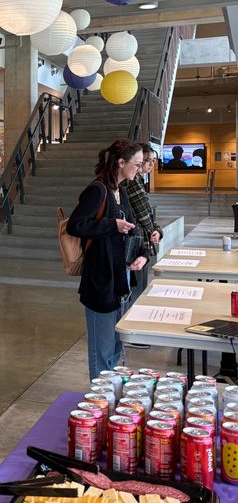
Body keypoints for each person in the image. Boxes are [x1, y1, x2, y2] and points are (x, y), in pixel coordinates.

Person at [67, 139, 149, 380]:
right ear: (121, 162)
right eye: (137, 164)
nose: (140, 169)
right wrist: (112, 224)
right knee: (101, 350)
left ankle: (111, 391)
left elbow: (133, 229)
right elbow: (76, 225)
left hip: (121, 279)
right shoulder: (98, 190)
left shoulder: (120, 191)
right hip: (101, 280)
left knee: (115, 345)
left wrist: (143, 255)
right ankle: (100, 396)